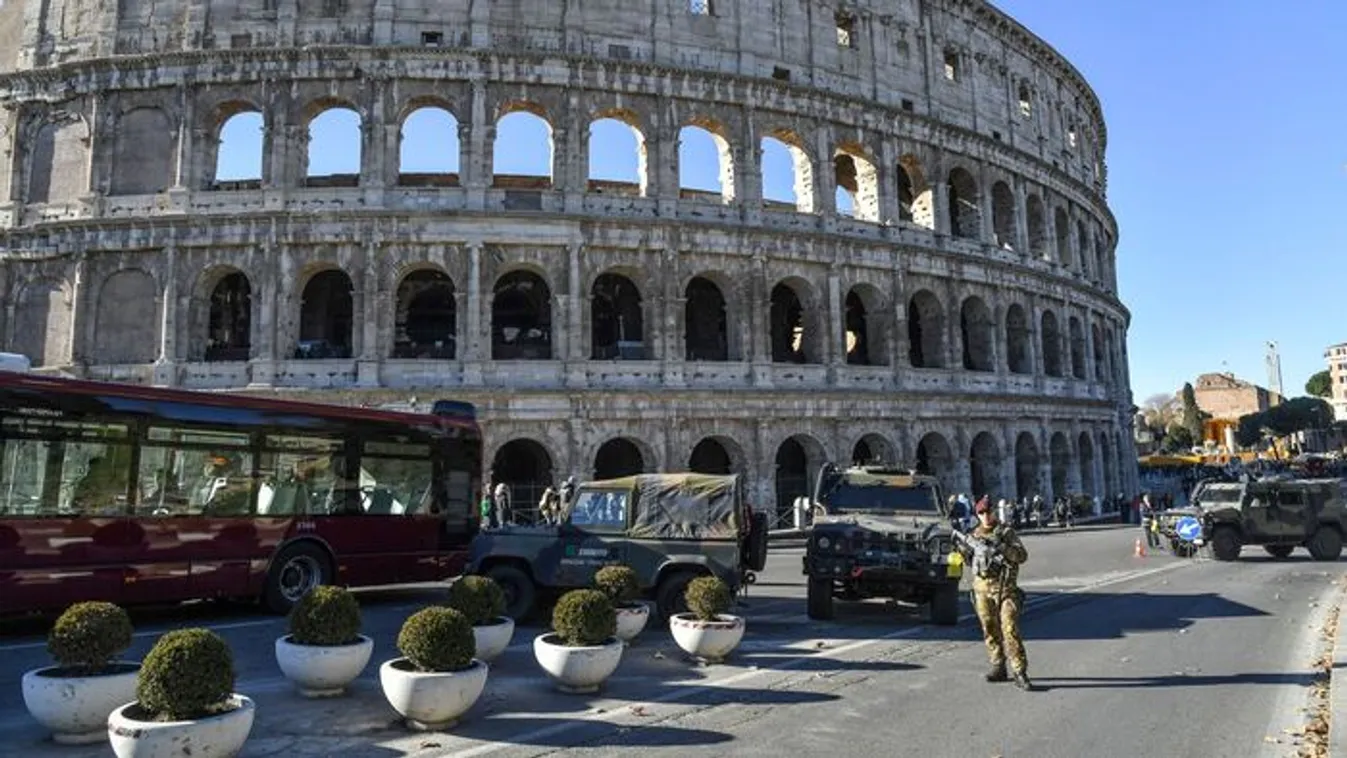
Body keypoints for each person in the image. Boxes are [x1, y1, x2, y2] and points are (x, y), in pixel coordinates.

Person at [959, 496, 1033, 691]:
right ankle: (998, 665)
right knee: (989, 628)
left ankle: (1019, 670)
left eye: (987, 512)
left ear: (994, 512)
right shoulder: (973, 535)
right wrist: (964, 551)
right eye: (980, 513)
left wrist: (1002, 548)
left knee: (1009, 628)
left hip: (1005, 589)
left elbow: (1022, 556)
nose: (984, 516)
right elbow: (970, 562)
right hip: (982, 588)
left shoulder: (1006, 532)